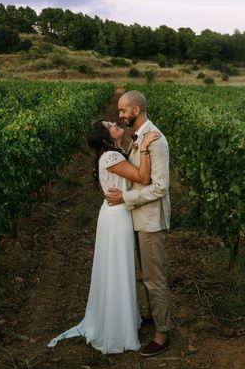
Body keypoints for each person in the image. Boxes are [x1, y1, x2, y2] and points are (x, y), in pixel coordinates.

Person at [47, 119, 161, 354]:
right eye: (110, 124)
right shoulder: (110, 157)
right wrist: (147, 148)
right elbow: (143, 178)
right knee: (118, 268)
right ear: (105, 137)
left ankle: (121, 319)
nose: (115, 122)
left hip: (118, 213)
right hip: (117, 217)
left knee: (118, 268)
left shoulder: (116, 152)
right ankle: (117, 328)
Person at [105, 90, 173, 357]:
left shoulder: (155, 140)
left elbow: (160, 187)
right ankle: (154, 317)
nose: (120, 116)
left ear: (136, 110)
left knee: (154, 278)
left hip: (150, 220)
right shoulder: (139, 137)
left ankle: (162, 333)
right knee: (145, 275)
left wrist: (125, 197)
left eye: (123, 111)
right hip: (136, 216)